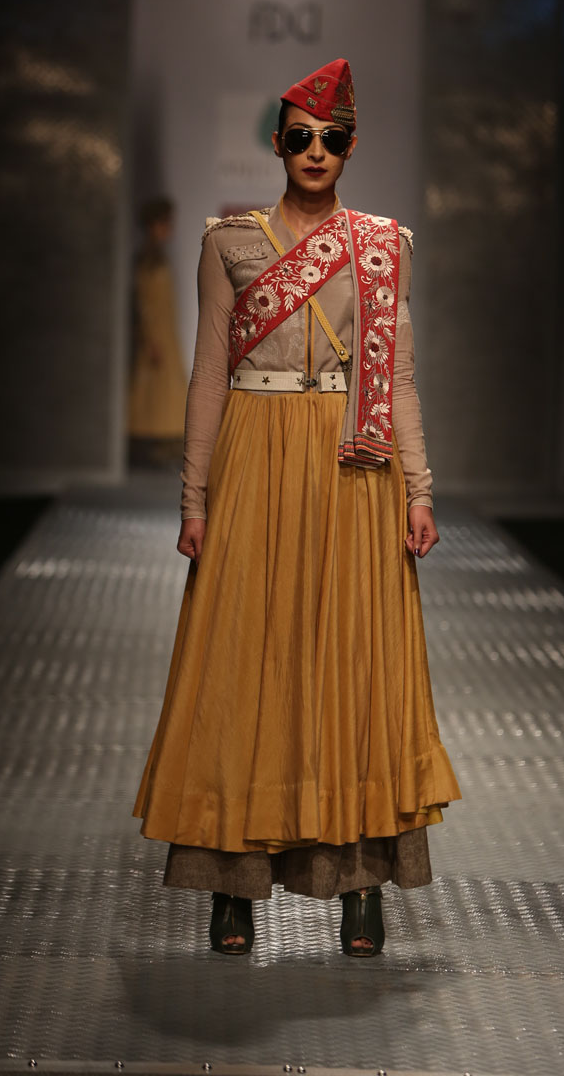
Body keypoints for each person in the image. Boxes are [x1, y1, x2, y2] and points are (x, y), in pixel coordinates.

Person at [133, 59, 461, 958]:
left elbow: (397, 379)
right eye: (303, 137)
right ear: (279, 144)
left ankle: (361, 888)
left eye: (334, 137)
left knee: (354, 665)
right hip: (254, 455)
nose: (318, 151)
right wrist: (194, 497)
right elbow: (208, 374)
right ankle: (231, 888)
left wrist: (420, 489)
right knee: (242, 661)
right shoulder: (229, 243)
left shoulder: (383, 245)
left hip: (355, 469)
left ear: (352, 147)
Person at [128, 196, 188, 465]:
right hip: (154, 336)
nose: (169, 229)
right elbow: (144, 302)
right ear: (153, 225)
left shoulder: (157, 257)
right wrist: (150, 338)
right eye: (165, 223)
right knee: (151, 388)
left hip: (164, 332)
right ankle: (147, 440)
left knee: (166, 388)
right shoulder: (147, 260)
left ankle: (163, 440)